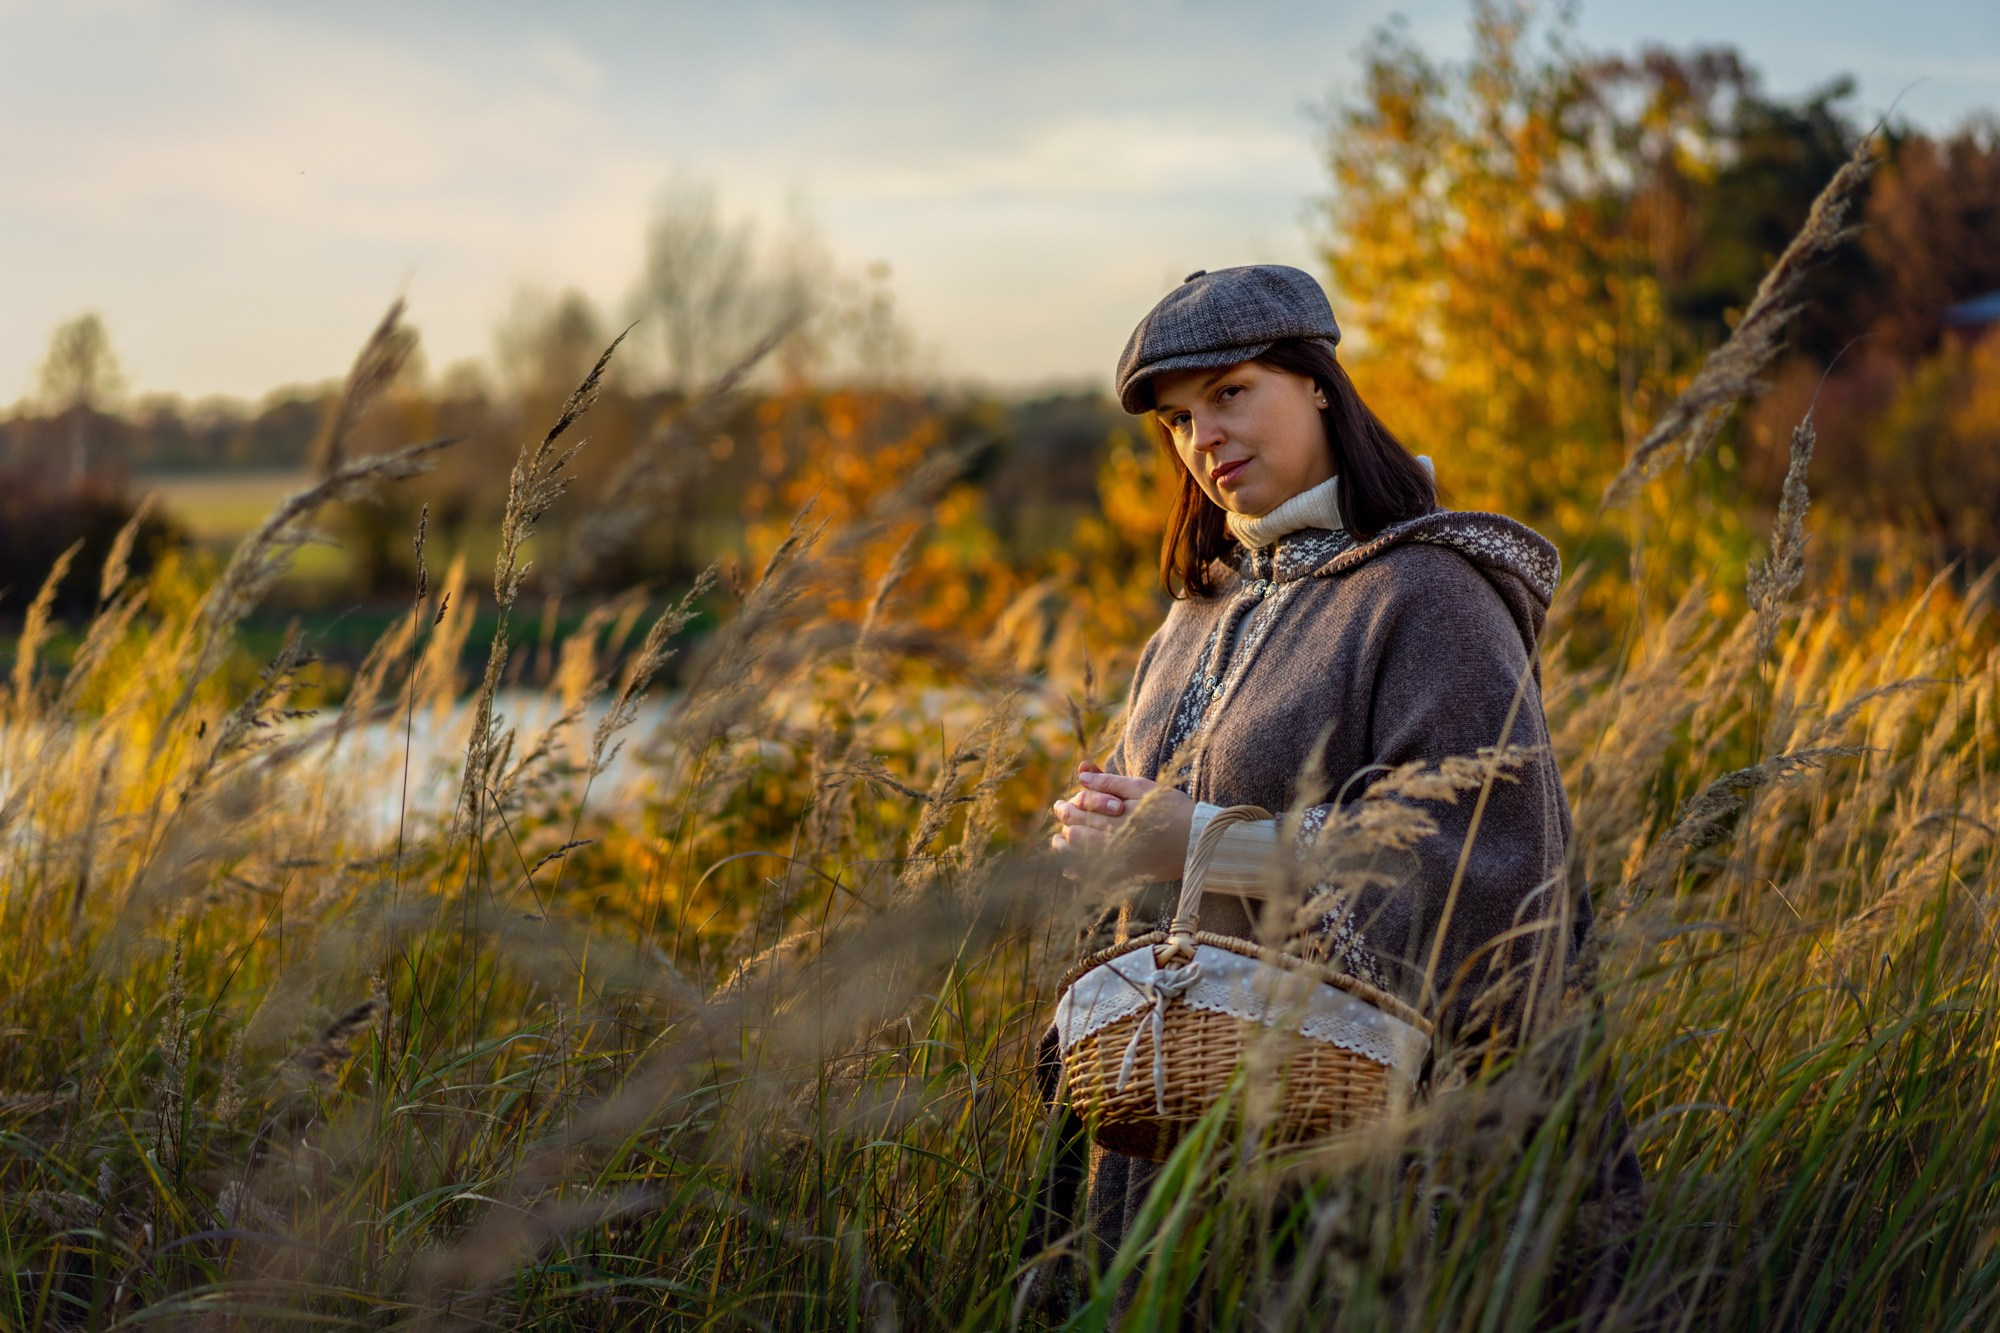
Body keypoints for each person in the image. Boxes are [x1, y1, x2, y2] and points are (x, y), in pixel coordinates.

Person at [1034, 264, 1636, 1313]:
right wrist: (1108, 838)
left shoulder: (1428, 589)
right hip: (1181, 1111)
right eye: (1177, 419)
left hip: (1360, 1135)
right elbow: (1164, 842)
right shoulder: (1196, 614)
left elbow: (1472, 857)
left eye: (1230, 393)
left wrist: (1206, 841)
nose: (1202, 439)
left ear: (1316, 384)